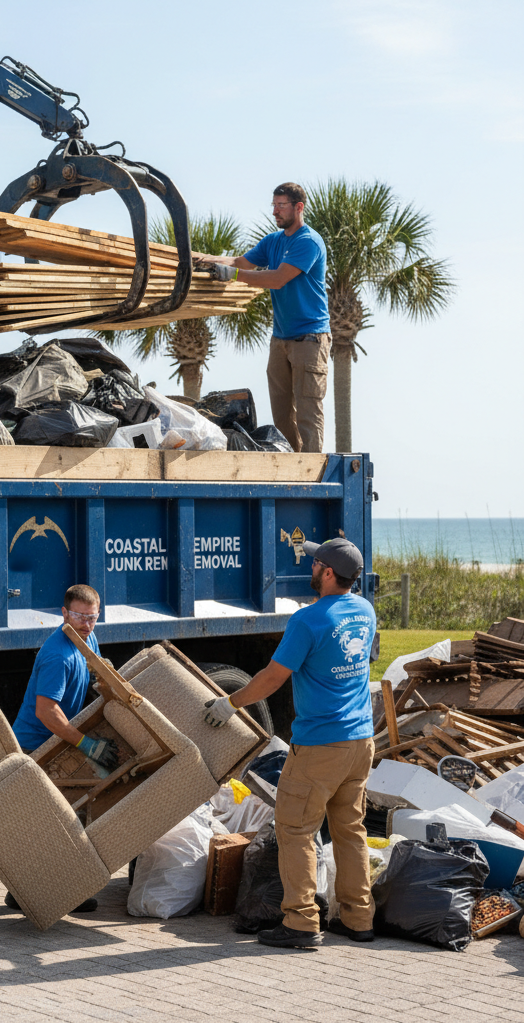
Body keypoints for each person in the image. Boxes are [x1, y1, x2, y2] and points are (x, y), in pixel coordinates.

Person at [203, 538, 375, 949]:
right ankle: (358, 917)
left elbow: (272, 678)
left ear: (329, 573)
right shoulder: (365, 610)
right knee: (350, 828)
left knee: (295, 829)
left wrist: (230, 703)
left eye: (316, 563)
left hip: (321, 745)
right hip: (361, 740)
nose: (310, 568)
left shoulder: (308, 620)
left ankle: (300, 922)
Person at [4, 583, 119, 915]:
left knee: (57, 817)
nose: (86, 623)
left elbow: (94, 670)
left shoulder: (87, 640)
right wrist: (86, 744)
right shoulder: (58, 654)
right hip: (34, 747)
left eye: (92, 617)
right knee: (57, 820)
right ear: (64, 613)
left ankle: (21, 891)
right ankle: (53, 891)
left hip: (54, 742)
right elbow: (46, 711)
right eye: (79, 616)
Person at [194, 182, 331, 454]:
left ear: (298, 207)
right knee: (282, 415)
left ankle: (312, 469)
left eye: (281, 206)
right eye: (274, 206)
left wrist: (234, 276)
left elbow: (278, 278)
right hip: (281, 339)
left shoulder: (308, 242)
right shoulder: (273, 241)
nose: (275, 212)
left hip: (309, 339)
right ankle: (292, 465)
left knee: (307, 410)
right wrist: (202, 258)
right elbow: (240, 262)